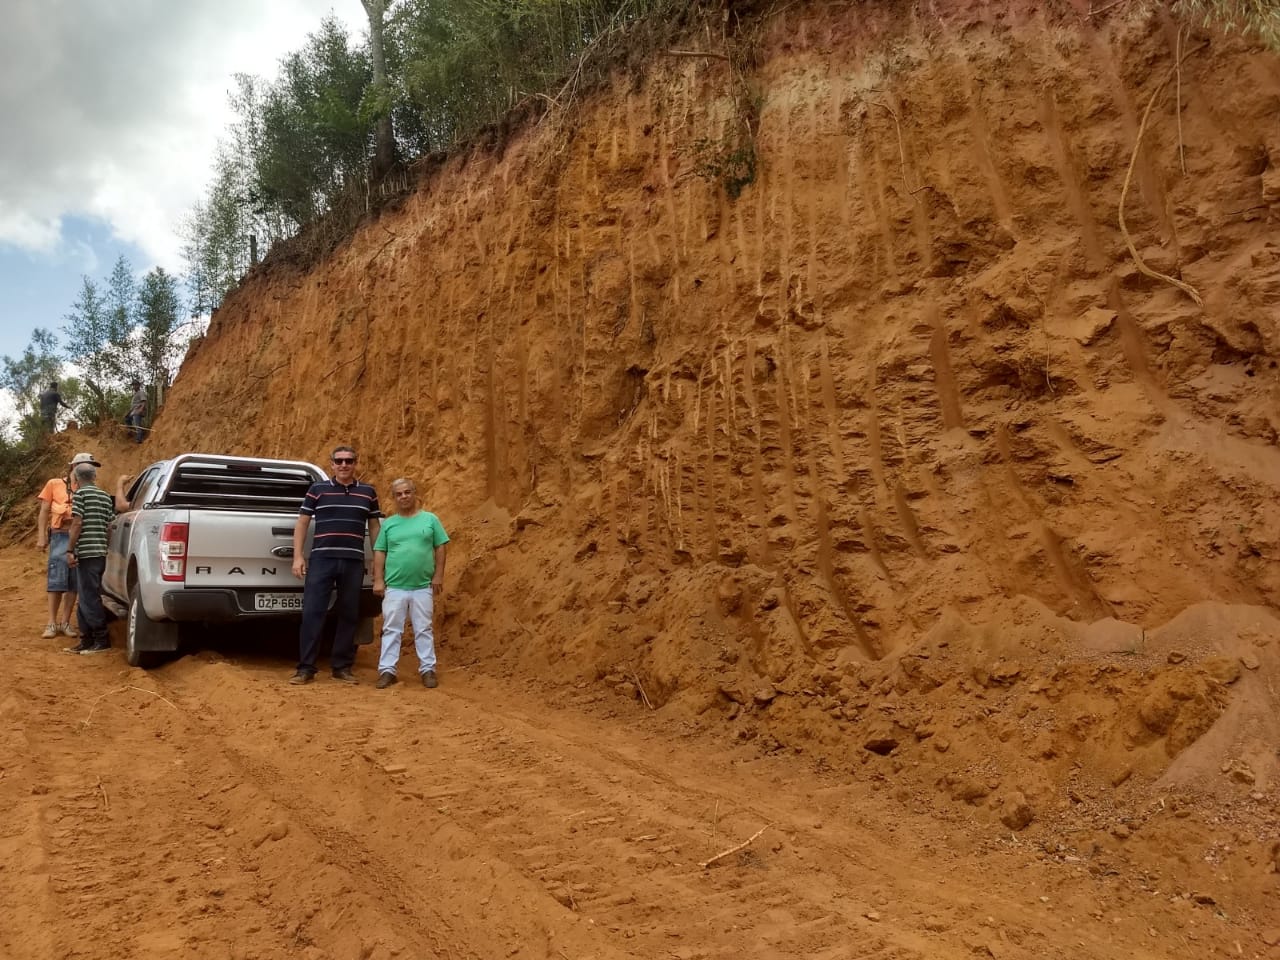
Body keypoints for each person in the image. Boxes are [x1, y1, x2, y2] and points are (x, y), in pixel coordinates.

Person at [289, 445, 382, 685]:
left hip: (353, 561)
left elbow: (374, 528)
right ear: (331, 464)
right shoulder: (317, 489)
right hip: (321, 559)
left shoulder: (368, 492)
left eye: (348, 461)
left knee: (349, 614)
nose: (344, 465)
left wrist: (377, 559)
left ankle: (342, 667)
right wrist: (298, 556)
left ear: (355, 463)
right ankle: (306, 668)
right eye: (339, 461)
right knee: (312, 613)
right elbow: (301, 523)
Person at [372, 479, 449, 689]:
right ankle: (387, 671)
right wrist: (378, 579)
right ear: (394, 498)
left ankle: (428, 670)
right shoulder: (389, 524)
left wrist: (438, 576)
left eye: (407, 492)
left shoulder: (430, 520)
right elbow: (380, 551)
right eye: (399, 494)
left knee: (423, 628)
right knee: (391, 629)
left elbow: (440, 547)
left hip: (422, 586)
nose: (404, 496)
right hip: (395, 586)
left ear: (415, 494)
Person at [35, 452, 95, 638]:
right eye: (85, 465)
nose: (89, 470)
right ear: (74, 466)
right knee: (56, 580)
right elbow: (44, 511)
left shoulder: (89, 487)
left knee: (73, 581)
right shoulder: (54, 484)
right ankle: (51, 623)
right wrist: (41, 537)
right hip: (60, 535)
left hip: (79, 536)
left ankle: (65, 622)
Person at [64, 461, 118, 655]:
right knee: (86, 596)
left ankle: (101, 639)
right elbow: (110, 526)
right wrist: (104, 546)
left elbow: (77, 523)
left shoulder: (80, 495)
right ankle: (86, 639)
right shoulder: (104, 496)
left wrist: (70, 550)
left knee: (89, 597)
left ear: (77, 479)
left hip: (85, 553)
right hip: (99, 553)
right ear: (94, 477)